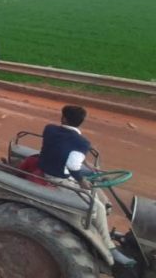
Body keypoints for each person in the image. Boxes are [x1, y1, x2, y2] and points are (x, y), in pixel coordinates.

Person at [37, 105, 135, 267]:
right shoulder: (81, 142)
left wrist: (89, 167)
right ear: (82, 121)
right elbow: (73, 165)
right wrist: (82, 181)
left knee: (97, 185)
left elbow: (65, 149)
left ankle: (102, 217)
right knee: (97, 206)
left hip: (54, 166)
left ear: (64, 118)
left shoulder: (50, 129)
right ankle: (110, 247)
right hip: (58, 177)